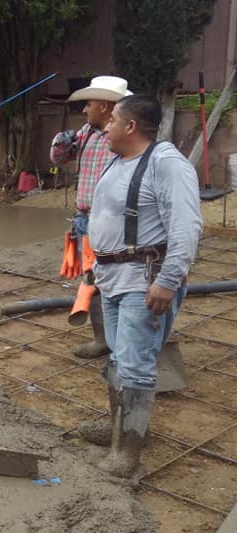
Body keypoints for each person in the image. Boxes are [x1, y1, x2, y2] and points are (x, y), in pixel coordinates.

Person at [87, 95, 202, 477]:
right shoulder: (119, 162)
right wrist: (96, 265)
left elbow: (186, 227)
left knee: (135, 365)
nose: (106, 126)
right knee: (120, 359)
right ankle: (121, 428)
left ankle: (127, 454)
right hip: (113, 278)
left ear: (131, 127)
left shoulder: (166, 164)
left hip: (143, 281)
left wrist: (168, 280)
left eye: (113, 120)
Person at [50, 76, 133, 359]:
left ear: (105, 106)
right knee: (91, 277)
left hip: (113, 221)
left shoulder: (125, 137)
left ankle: (122, 340)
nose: (85, 110)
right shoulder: (86, 134)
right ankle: (103, 339)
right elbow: (59, 158)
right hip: (86, 219)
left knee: (115, 279)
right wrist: (63, 141)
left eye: (89, 104)